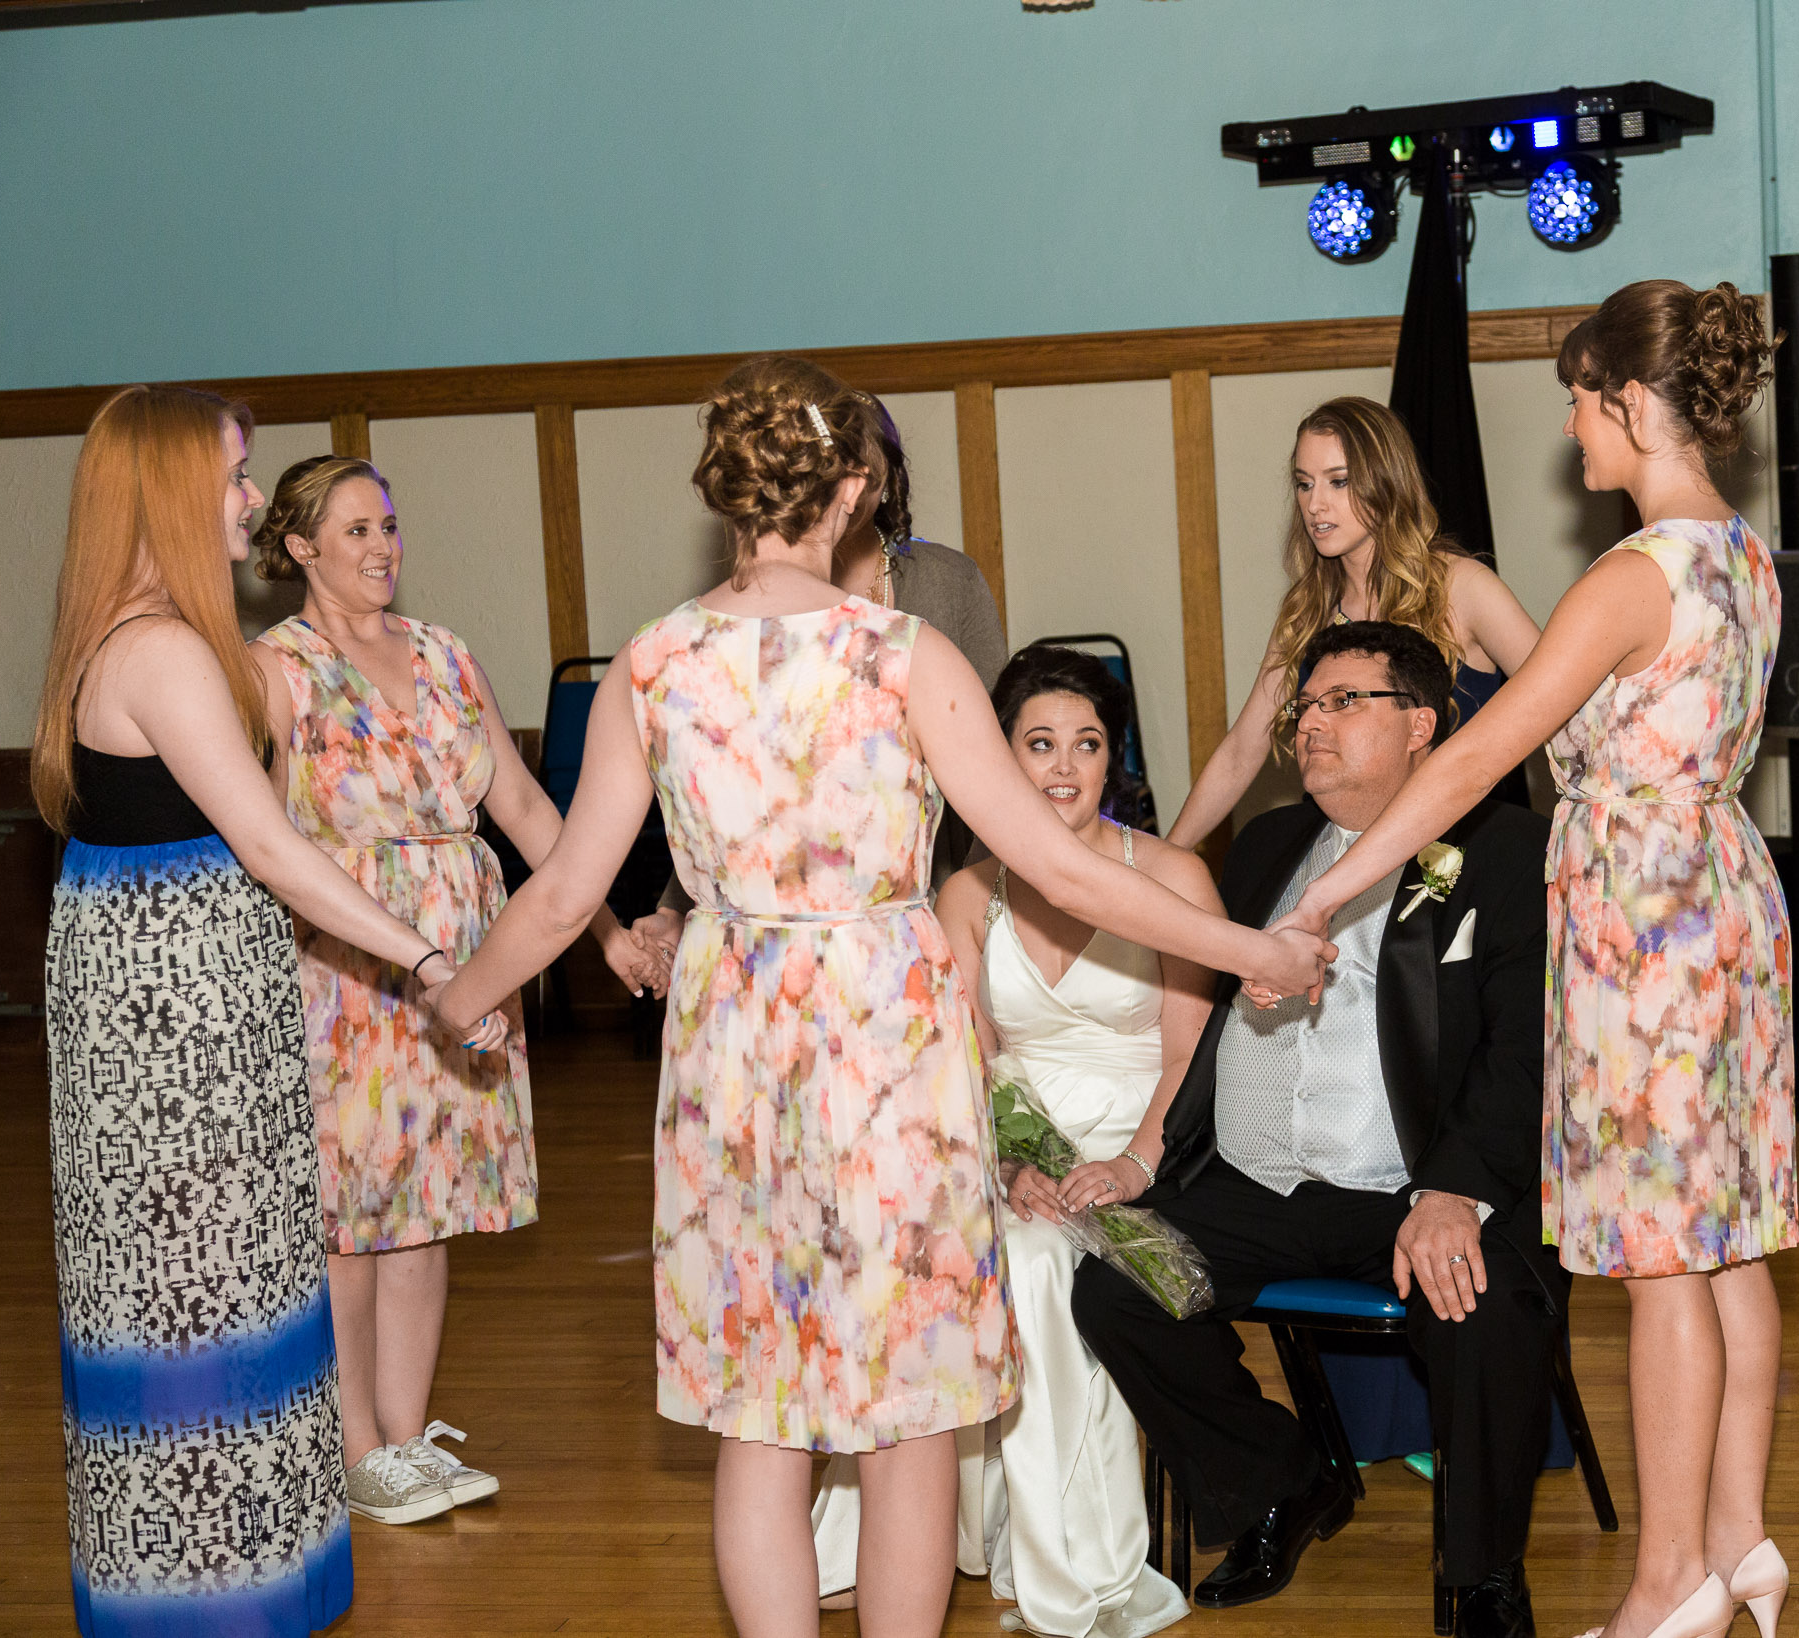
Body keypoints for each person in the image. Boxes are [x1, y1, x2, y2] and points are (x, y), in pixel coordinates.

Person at [427, 356, 1327, 1638]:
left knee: (760, 1416)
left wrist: (455, 997)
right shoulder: (903, 655)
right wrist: (1249, 952)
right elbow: (1063, 866)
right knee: (911, 1415)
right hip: (884, 1041)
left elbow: (566, 893)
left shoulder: (654, 663)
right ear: (850, 490)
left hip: (733, 1044)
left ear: (724, 489)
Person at [1261, 281, 1796, 1638]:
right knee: (1727, 1244)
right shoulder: (1741, 555)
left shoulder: (1631, 577)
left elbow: (1471, 761)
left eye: (1579, 399)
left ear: (1632, 400)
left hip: (1645, 924)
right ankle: (1737, 1536)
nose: (1570, 427)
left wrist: (1328, 897)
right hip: (1722, 893)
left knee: (1662, 1263)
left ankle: (1669, 1582)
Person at [35, 386, 498, 1637]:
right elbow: (273, 847)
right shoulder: (162, 651)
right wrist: (430, 964)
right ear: (170, 491)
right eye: (234, 477)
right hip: (174, 1019)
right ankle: (212, 1592)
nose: (249, 498)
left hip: (189, 995)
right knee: (199, 1290)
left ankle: (247, 1566)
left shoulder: (151, 637)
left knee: (218, 1278)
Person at [1072, 622, 1567, 1637]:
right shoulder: (1266, 848)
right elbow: (1200, 1012)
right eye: (1306, 707)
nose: (1311, 725)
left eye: (1345, 702)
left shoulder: (1509, 852)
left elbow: (1526, 1051)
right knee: (1116, 1282)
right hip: (1257, 1184)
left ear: (1422, 725)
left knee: (1482, 1304)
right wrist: (1145, 1158)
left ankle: (1483, 1575)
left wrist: (1452, 1192)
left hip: (1413, 1187)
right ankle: (1284, 1481)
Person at [247, 456, 649, 1524]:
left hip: (467, 956)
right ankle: (355, 1446)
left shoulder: (444, 654)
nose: (382, 547)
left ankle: (406, 1431)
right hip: (344, 962)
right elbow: (261, 836)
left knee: (428, 1207)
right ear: (300, 548)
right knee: (349, 1212)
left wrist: (606, 933)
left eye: (387, 525)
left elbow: (524, 809)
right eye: (354, 531)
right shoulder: (274, 671)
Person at [810, 644, 1211, 1638]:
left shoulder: (1172, 877)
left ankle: (1067, 1564)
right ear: (1000, 756)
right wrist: (1009, 1159)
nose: (1064, 767)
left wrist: (1132, 1164)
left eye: (1087, 743)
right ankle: (909, 1535)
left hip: (1146, 1145)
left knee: (1030, 1263)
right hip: (1003, 1141)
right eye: (1038, 744)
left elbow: (1191, 1061)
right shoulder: (967, 893)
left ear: (1114, 758)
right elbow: (968, 1061)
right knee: (918, 1246)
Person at [630, 394, 1006, 983]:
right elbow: (738, 781)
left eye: (862, 461)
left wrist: (973, 910)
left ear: (880, 478)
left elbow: (999, 762)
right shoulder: (744, 607)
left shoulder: (945, 583)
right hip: (773, 933)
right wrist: (676, 908)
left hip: (927, 890)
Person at [1167, 396, 1540, 852]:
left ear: (1387, 482)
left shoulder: (1464, 587)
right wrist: (1166, 858)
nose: (1315, 504)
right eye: (1304, 484)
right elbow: (1242, 751)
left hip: (1455, 853)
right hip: (1340, 851)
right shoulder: (1307, 609)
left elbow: (1567, 701)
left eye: (1338, 481)